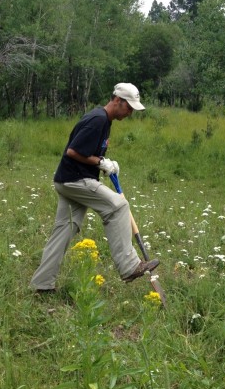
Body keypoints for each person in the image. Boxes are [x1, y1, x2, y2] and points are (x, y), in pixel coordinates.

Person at [29, 82, 160, 293]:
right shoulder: (98, 120)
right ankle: (130, 267)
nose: (130, 113)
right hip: (75, 181)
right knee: (118, 206)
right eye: (129, 108)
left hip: (67, 180)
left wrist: (104, 162)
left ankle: (42, 285)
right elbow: (73, 151)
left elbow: (86, 150)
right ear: (117, 101)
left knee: (63, 232)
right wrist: (100, 163)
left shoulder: (104, 120)